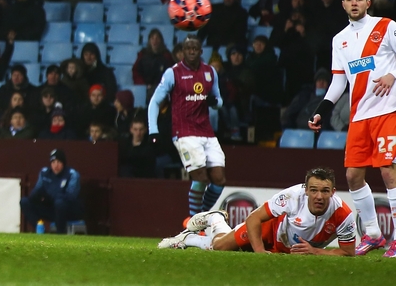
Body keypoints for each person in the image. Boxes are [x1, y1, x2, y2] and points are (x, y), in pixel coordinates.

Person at [308, 0, 396, 257]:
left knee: (388, 171)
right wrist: (322, 108)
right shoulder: (340, 39)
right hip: (359, 116)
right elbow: (338, 82)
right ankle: (373, 234)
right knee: (353, 176)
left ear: (368, 3)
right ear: (343, 5)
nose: (355, 2)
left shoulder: (387, 26)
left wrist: (393, 76)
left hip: (387, 110)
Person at [158, 167, 355, 256]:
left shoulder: (343, 215)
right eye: (314, 190)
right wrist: (260, 252)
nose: (319, 196)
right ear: (306, 190)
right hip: (269, 229)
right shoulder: (292, 197)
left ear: (333, 192)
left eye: (324, 191)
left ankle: (211, 223)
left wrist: (315, 252)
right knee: (219, 247)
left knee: (222, 247)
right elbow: (254, 218)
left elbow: (348, 252)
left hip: (285, 249)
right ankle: (201, 230)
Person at [148, 35, 225, 217]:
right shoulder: (172, 73)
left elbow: (219, 100)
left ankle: (200, 217)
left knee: (219, 180)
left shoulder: (210, 72)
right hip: (184, 132)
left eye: (195, 48)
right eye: (188, 48)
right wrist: (153, 129)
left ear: (200, 51)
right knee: (201, 178)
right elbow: (154, 102)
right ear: (182, 51)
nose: (191, 51)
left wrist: (215, 102)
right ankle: (193, 220)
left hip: (206, 131)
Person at [19, 149, 83, 234]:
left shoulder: (72, 174)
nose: (56, 165)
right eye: (53, 162)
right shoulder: (45, 173)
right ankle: (40, 229)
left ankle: (60, 233)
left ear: (63, 163)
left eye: (58, 162)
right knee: (24, 202)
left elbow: (71, 196)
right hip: (50, 207)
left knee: (59, 203)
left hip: (67, 210)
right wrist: (39, 197)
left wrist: (50, 197)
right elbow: (36, 191)